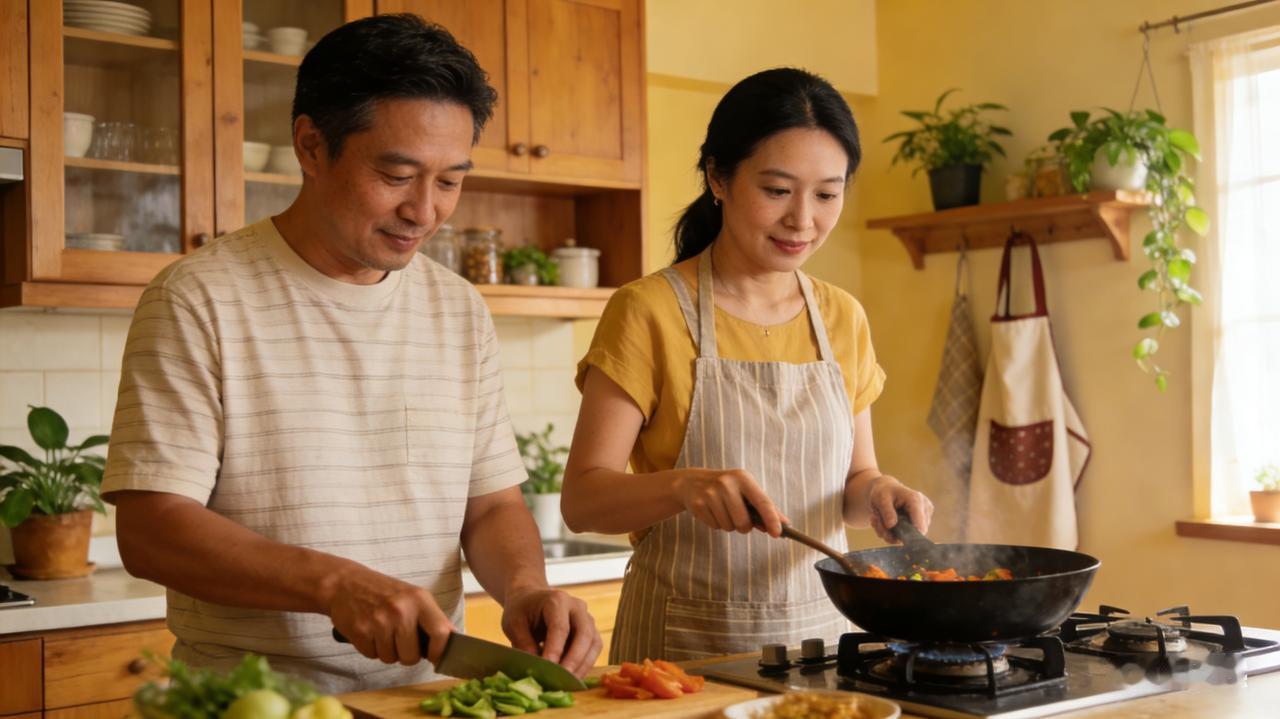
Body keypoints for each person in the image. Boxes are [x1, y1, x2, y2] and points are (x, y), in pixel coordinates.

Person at [101, 15, 600, 692]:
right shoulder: (199, 297)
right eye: (396, 174)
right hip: (255, 698)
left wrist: (524, 588)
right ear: (311, 145)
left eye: (449, 181)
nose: (424, 210)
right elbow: (151, 530)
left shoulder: (458, 308)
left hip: (421, 698)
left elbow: (489, 505)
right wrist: (333, 583)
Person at [560, 68, 934, 662]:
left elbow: (854, 485)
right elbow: (582, 501)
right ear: (717, 177)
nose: (803, 221)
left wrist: (883, 494)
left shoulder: (842, 316)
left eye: (827, 194)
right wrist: (683, 487)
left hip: (824, 642)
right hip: (684, 647)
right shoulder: (649, 310)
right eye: (777, 190)